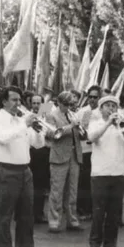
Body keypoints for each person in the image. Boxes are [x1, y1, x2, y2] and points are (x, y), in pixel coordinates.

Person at [0, 86, 45, 247]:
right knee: (4, 218)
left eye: (20, 100)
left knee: (26, 217)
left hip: (24, 172)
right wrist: (24, 125)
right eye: (14, 100)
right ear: (4, 101)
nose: (18, 104)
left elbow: (38, 144)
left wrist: (37, 129)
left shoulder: (21, 121)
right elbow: (3, 138)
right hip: (4, 171)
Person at [86, 95, 124, 247]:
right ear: (101, 109)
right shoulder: (95, 123)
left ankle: (110, 245)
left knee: (114, 213)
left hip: (118, 173)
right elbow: (92, 138)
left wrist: (123, 129)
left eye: (114, 106)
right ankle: (95, 244)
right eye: (107, 106)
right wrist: (108, 124)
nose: (111, 109)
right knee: (99, 212)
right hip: (100, 173)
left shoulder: (122, 125)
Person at [45, 91, 83, 233]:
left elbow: (79, 134)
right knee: (57, 191)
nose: (69, 107)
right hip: (59, 156)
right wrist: (71, 127)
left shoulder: (73, 115)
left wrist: (81, 130)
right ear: (59, 103)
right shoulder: (51, 114)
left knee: (73, 191)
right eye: (66, 104)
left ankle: (72, 220)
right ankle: (54, 222)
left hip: (74, 155)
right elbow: (51, 134)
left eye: (71, 104)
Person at [75, 85, 102, 217]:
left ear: (99, 98)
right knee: (84, 181)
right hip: (85, 150)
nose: (92, 99)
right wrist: (83, 127)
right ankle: (83, 209)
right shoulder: (82, 112)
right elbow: (78, 134)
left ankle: (95, 209)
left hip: (99, 151)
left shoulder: (103, 112)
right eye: (90, 97)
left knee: (97, 181)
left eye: (95, 97)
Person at [28, 94, 51, 224]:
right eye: (34, 103)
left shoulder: (46, 115)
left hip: (43, 151)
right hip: (30, 151)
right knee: (29, 184)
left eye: (38, 103)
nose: (36, 106)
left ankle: (39, 213)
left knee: (41, 185)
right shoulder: (27, 117)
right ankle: (29, 213)